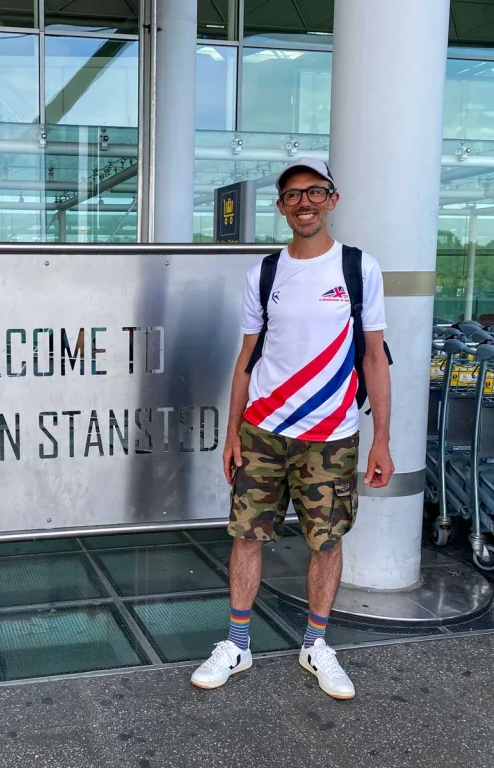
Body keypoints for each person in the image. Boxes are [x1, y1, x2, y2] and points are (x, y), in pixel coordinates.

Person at [190, 158, 393, 700]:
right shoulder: (264, 272)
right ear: (280, 207)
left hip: (332, 436)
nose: (304, 202)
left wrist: (383, 441)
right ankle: (237, 643)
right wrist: (232, 432)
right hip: (263, 431)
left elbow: (375, 359)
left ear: (332, 198)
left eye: (314, 192)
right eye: (293, 195)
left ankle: (317, 644)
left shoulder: (358, 268)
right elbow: (245, 359)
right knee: (245, 535)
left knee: (326, 542)